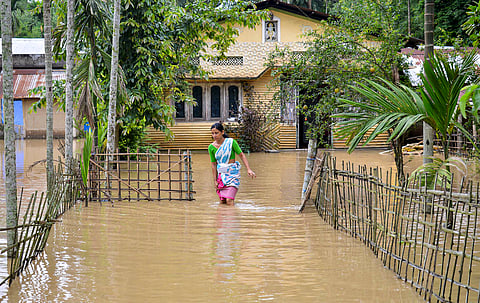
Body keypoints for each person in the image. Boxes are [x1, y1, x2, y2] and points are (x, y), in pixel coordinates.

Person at [209, 122, 256, 205]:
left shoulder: (231, 142)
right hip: (221, 176)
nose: (214, 135)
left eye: (216, 133)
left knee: (229, 201)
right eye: (212, 133)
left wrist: (248, 169)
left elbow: (241, 155)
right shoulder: (211, 147)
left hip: (232, 175)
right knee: (222, 201)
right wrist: (215, 180)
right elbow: (213, 164)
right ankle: (223, 217)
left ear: (222, 132)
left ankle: (232, 217)